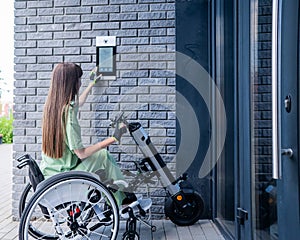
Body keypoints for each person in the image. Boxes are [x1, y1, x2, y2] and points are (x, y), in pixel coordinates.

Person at [39, 62, 129, 206]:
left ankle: (117, 196)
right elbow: (81, 153)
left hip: (51, 172)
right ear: (72, 83)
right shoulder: (68, 115)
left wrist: (91, 84)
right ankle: (123, 199)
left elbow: (77, 103)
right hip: (65, 176)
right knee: (103, 156)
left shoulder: (53, 108)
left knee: (100, 162)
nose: (80, 83)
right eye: (79, 80)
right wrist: (114, 137)